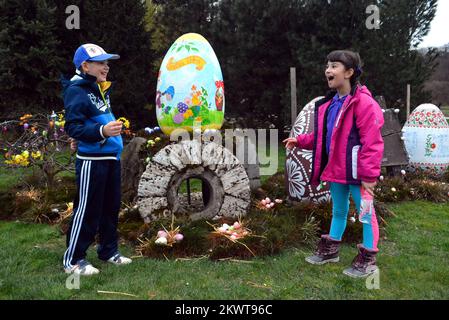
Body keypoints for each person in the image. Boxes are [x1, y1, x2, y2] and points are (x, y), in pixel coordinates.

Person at [283, 50, 384, 278]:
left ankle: (368, 259)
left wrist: (369, 176)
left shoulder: (364, 104)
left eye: (334, 66)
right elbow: (323, 137)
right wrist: (300, 140)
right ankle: (331, 250)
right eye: (327, 65)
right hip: (337, 171)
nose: (328, 70)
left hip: (360, 176)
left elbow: (373, 143)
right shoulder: (330, 104)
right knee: (338, 211)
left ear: (349, 72)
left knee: (366, 214)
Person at [61, 44, 132, 275]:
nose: (106, 66)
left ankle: (108, 251)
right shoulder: (77, 90)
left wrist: (101, 131)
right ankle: (73, 259)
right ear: (85, 65)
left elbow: (86, 124)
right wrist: (102, 131)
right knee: (87, 208)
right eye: (101, 62)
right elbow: (73, 126)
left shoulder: (98, 87)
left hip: (111, 157)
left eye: (107, 62)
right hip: (92, 160)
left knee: (110, 208)